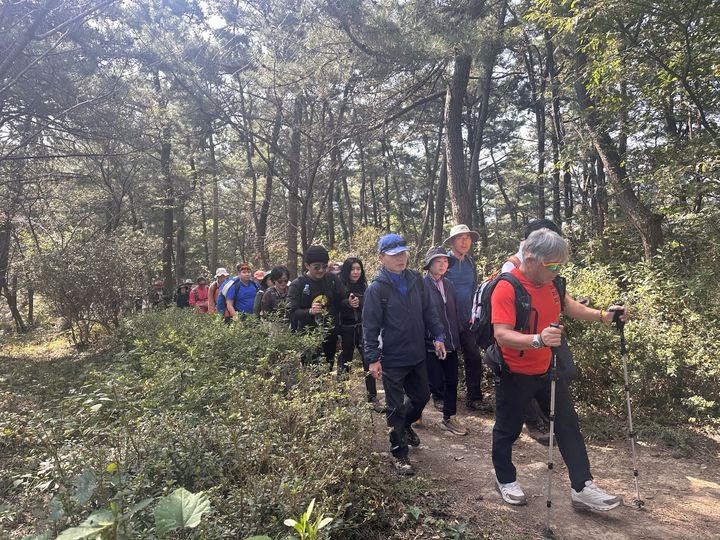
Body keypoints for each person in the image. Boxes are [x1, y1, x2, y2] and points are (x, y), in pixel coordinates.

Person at [491, 228, 626, 511]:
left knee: (567, 427)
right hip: (515, 372)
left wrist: (603, 316)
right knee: (508, 429)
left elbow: (568, 306)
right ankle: (505, 479)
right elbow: (502, 334)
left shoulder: (553, 283)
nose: (556, 270)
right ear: (530, 258)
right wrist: (538, 339)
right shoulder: (507, 287)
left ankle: (582, 488)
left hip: (548, 370)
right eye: (551, 265)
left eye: (560, 265)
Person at [363, 233, 446, 475]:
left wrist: (438, 336)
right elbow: (370, 327)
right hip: (392, 358)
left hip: (417, 353)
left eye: (403, 253)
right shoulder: (377, 289)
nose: (401, 258)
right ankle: (399, 453)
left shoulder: (416, 280)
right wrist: (373, 358)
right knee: (395, 407)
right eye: (394, 255)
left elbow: (430, 310)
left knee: (422, 396)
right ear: (381, 258)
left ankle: (405, 425)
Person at [501, 219, 564, 446]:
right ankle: (532, 424)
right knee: (511, 415)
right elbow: (504, 329)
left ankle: (542, 422)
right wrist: (537, 339)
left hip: (544, 341)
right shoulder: (511, 269)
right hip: (521, 347)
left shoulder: (546, 268)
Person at [444, 224, 491, 412]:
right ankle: (443, 396)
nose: (464, 242)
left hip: (468, 320)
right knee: (448, 358)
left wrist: (476, 314)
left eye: (467, 238)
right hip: (448, 320)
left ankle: (474, 397)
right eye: (460, 238)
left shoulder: (470, 262)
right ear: (452, 241)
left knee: (473, 356)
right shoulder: (444, 261)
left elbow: (474, 289)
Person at [423, 247, 467, 436]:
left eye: (445, 261)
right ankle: (414, 413)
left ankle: (449, 417)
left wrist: (458, 334)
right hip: (430, 342)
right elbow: (422, 314)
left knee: (452, 380)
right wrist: (432, 337)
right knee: (430, 382)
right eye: (438, 261)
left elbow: (454, 312)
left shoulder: (449, 285)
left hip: (450, 341)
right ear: (429, 265)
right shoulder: (422, 285)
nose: (442, 265)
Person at [287, 245, 348, 367]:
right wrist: (309, 311)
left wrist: (349, 302)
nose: (321, 270)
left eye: (324, 267)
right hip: (308, 336)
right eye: (317, 267)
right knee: (311, 371)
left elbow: (342, 299)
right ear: (307, 265)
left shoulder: (332, 279)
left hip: (330, 335)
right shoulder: (298, 284)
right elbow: (292, 312)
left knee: (327, 369)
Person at [338, 257, 383, 412]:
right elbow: (334, 304)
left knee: (368, 361)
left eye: (358, 268)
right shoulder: (340, 285)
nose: (356, 272)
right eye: (352, 269)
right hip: (345, 330)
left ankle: (372, 398)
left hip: (362, 329)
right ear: (346, 270)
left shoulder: (364, 286)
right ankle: (341, 398)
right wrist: (347, 303)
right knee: (345, 363)